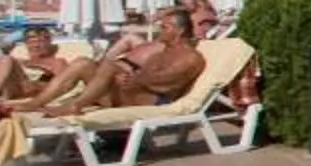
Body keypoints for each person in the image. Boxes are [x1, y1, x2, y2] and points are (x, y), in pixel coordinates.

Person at [22, 8, 206, 115]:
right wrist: (129, 78)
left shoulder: (190, 57)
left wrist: (133, 79)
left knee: (110, 66)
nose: (160, 30)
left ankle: (75, 105)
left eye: (164, 27)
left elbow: (166, 85)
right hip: (130, 94)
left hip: (152, 102)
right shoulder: (161, 53)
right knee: (83, 63)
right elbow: (144, 76)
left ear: (179, 31)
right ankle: (36, 103)